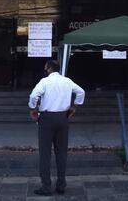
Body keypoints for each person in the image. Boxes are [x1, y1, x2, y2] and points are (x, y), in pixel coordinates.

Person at [28, 59, 85, 197]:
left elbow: (33, 95)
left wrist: (33, 108)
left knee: (45, 154)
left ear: (48, 68)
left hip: (47, 119)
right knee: (61, 153)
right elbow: (81, 92)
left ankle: (46, 186)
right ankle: (61, 185)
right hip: (62, 118)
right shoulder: (67, 81)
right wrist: (74, 106)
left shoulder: (44, 82)